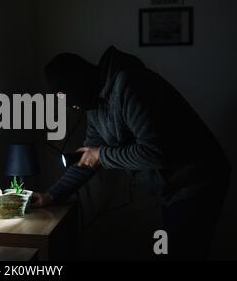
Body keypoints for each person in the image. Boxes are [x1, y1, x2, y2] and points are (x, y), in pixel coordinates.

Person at [32, 46, 231, 260]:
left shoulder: (131, 84)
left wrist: (102, 155)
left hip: (197, 180)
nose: (76, 109)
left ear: (81, 83)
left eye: (74, 102)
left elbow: (154, 152)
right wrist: (52, 194)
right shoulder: (94, 105)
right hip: (170, 188)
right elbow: (88, 156)